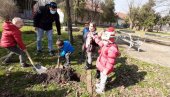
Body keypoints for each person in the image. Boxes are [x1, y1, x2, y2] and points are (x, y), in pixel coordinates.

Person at [91, 27, 120, 94]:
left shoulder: (112, 49)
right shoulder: (106, 44)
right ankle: (100, 84)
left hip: (106, 66)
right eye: (103, 40)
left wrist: (107, 69)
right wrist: (95, 37)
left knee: (103, 77)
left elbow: (111, 62)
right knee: (101, 75)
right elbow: (99, 42)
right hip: (102, 63)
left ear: (109, 40)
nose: (102, 41)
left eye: (104, 40)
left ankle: (102, 89)